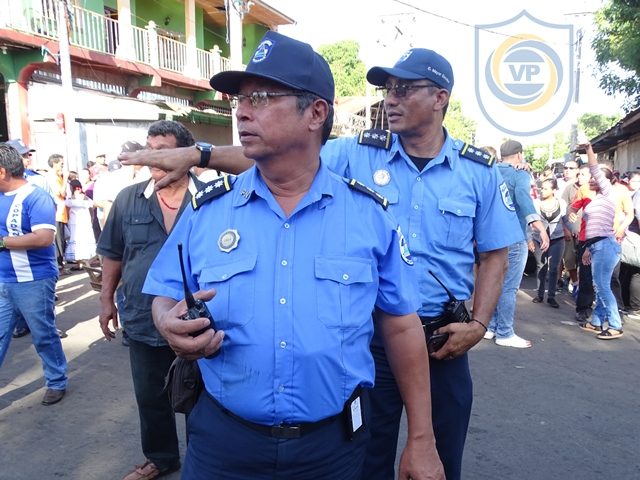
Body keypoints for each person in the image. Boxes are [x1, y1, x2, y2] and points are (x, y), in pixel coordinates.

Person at [121, 42, 524, 480]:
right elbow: (166, 291)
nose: (242, 112)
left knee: (435, 462)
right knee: (377, 458)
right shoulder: (216, 208)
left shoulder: (410, 197)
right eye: (241, 99)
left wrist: (478, 327)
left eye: (261, 97)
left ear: (315, 113)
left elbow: (488, 259)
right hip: (230, 434)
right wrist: (167, 321)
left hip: (397, 380)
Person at [96, 121, 204, 480]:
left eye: (162, 151)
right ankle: (161, 458)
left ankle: (205, 459)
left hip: (198, 320)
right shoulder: (129, 199)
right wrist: (106, 299)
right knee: (150, 396)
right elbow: (112, 253)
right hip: (142, 317)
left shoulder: (210, 197)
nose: (151, 158)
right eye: (148, 149)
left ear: (185, 155)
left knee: (203, 396)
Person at [0, 144, 68, 405]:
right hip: (3, 280)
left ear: (2, 171)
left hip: (34, 281)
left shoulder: (36, 197)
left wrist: (3, 242)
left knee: (43, 335)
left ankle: (57, 381)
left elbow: (43, 238)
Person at [485, 140, 549, 348]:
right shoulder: (520, 174)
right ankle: (504, 332)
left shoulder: (490, 170)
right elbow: (524, 200)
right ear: (520, 155)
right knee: (509, 287)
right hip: (514, 236)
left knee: (494, 283)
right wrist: (540, 228)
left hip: (490, 236)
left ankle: (491, 326)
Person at [574, 143, 624, 339]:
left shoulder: (608, 193)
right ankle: (596, 322)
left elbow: (594, 168)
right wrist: (587, 249)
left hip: (605, 245)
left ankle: (615, 325)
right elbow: (594, 228)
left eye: (596, 178)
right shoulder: (596, 200)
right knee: (601, 285)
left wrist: (588, 149)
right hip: (597, 244)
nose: (592, 180)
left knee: (601, 287)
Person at [530, 178, 568, 308]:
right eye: (542, 188)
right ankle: (540, 294)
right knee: (541, 266)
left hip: (557, 238)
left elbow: (566, 219)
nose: (542, 191)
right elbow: (530, 220)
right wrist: (529, 239)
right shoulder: (536, 203)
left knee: (554, 268)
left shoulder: (561, 203)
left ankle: (551, 296)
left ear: (554, 190)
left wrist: (573, 230)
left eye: (546, 189)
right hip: (539, 238)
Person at [45, 154, 69, 271]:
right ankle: (59, 266)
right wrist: (65, 179)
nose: (62, 166)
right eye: (61, 164)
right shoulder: (51, 177)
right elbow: (61, 193)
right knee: (58, 241)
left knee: (62, 240)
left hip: (62, 212)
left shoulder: (57, 176)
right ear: (54, 164)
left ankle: (60, 265)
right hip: (57, 213)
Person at [64, 179, 96, 262]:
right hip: (84, 221)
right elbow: (92, 206)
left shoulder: (71, 199)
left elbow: (67, 208)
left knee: (76, 239)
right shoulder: (86, 199)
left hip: (75, 221)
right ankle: (84, 259)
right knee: (83, 239)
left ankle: (79, 259)